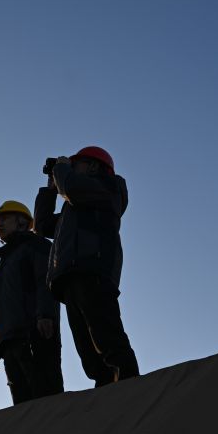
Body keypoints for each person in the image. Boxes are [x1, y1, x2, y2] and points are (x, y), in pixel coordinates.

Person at [33, 146, 139, 387]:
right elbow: (42, 226)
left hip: (93, 270)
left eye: (75, 164)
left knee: (106, 336)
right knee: (86, 348)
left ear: (93, 166)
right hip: (69, 276)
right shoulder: (74, 210)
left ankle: (132, 388)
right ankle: (105, 390)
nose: (70, 168)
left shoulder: (109, 189)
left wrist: (61, 168)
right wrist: (50, 190)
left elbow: (71, 188)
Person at [0, 200, 65, 405]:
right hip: (8, 343)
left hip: (35, 334)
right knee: (23, 409)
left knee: (47, 399)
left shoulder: (36, 245)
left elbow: (44, 282)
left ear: (22, 222)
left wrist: (45, 315)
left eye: (5, 219)